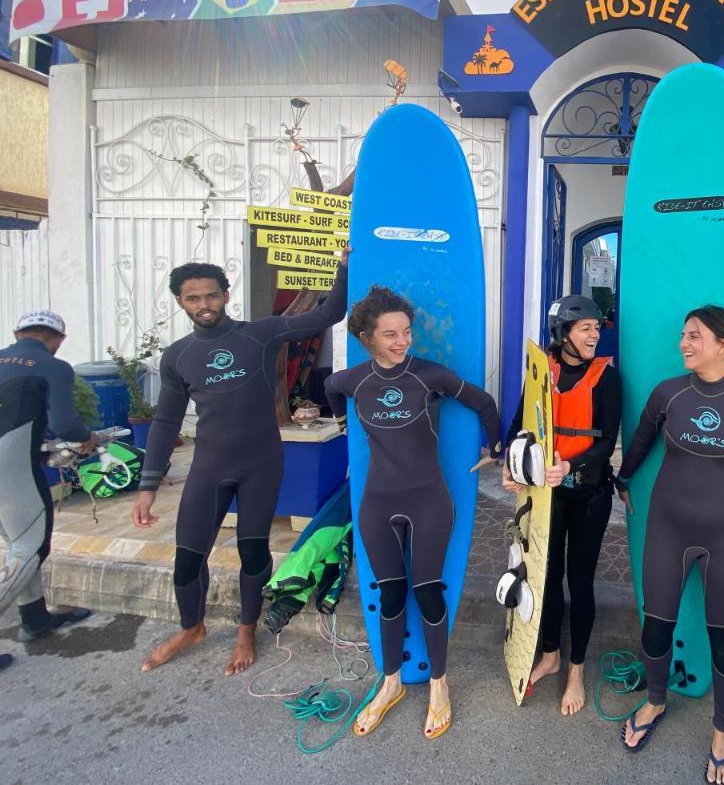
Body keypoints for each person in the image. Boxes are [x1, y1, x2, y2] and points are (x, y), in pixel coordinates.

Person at [133, 249, 349, 676]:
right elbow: (165, 422)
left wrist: (343, 267)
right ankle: (192, 627)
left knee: (253, 552)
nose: (204, 305)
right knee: (188, 556)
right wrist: (147, 486)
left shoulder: (261, 333)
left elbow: (330, 313)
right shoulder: (176, 357)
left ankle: (246, 630)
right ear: (180, 301)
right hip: (210, 467)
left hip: (261, 464)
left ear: (226, 295)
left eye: (211, 296)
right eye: (193, 299)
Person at [616, 305, 724, 785]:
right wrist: (623, 480)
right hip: (669, 527)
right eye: (683, 335)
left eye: (695, 336)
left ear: (723, 344)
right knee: (655, 627)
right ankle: (654, 700)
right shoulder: (669, 393)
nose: (684, 344)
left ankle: (723, 730)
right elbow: (642, 441)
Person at [325, 285, 501, 740]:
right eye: (390, 334)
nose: (402, 341)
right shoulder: (353, 381)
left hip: (428, 500)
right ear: (368, 337)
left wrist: (497, 447)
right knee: (388, 595)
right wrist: (344, 427)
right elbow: (328, 388)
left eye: (406, 332)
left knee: (427, 593)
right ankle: (390, 684)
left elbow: (483, 402)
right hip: (378, 502)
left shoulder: (430, 376)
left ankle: (440, 685)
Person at [501, 295, 622, 715]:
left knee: (580, 580)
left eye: (596, 328)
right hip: (544, 494)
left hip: (588, 494)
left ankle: (576, 669)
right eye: (586, 327)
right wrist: (510, 465)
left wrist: (570, 463)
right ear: (563, 333)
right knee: (545, 576)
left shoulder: (607, 377)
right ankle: (550, 653)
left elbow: (607, 442)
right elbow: (520, 425)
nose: (594, 334)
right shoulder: (541, 371)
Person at [0, 310, 96, 671]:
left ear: (17, 332)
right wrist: (86, 438)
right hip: (12, 468)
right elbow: (66, 423)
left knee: (18, 542)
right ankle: (31, 619)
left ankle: (35, 620)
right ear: (58, 339)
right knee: (29, 546)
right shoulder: (53, 366)